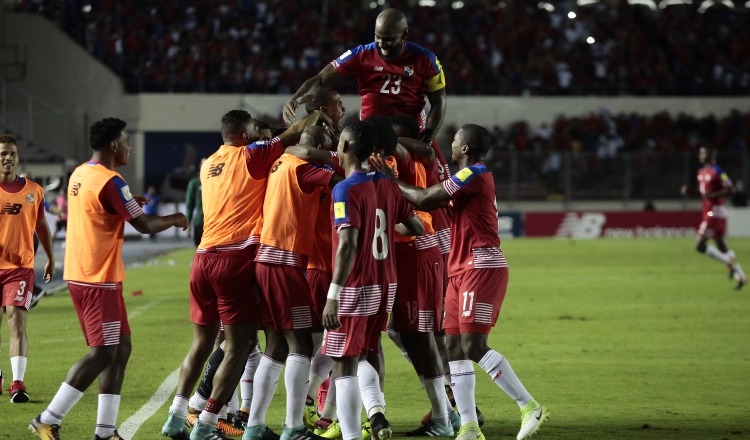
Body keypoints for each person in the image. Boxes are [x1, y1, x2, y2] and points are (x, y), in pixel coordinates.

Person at [372, 124, 549, 440]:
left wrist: (389, 178)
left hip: (481, 266)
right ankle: (468, 426)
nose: (449, 145)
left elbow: (425, 199)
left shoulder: (473, 174)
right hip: (459, 269)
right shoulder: (465, 178)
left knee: (472, 344)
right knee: (453, 347)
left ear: (465, 148)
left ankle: (529, 405)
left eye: (454, 141)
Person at [161, 109, 329, 440]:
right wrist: (314, 116)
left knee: (204, 342)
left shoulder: (208, 163)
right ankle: (208, 423)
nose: (261, 136)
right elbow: (292, 134)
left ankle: (177, 416)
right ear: (246, 133)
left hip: (203, 257)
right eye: (256, 130)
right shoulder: (251, 155)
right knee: (244, 344)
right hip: (235, 258)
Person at [30, 118, 188, 440]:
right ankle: (47, 418)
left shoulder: (81, 173)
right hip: (94, 277)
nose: (129, 146)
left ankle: (105, 431)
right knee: (103, 352)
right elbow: (143, 225)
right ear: (114, 146)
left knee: (121, 348)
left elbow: (102, 209)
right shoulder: (111, 180)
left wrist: (131, 201)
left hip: (92, 274)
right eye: (127, 141)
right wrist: (175, 218)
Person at [321, 120, 424, 440]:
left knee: (343, 363)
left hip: (355, 285)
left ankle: (352, 434)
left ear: (348, 147)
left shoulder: (345, 188)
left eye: (339, 143)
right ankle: (377, 414)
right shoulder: (387, 183)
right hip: (385, 284)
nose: (336, 148)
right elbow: (415, 227)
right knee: (366, 350)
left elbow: (348, 243)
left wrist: (333, 294)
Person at [283, 8, 446, 149]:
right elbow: (321, 79)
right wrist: (296, 99)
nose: (382, 44)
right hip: (370, 132)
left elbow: (439, 101)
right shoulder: (361, 54)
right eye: (378, 37)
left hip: (411, 133)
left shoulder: (426, 59)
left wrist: (429, 135)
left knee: (434, 178)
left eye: (388, 39)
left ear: (405, 34)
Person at [0, 134, 55, 403]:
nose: (7, 158)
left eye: (11, 154)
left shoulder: (34, 191)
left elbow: (41, 226)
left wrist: (51, 257)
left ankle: (17, 383)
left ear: (18, 158)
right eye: (2, 154)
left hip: (20, 267)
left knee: (16, 321)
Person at [681, 146, 747, 289]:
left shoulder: (718, 171)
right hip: (710, 212)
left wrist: (714, 196)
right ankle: (741, 276)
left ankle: (729, 263)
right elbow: (704, 195)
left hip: (714, 213)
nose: (700, 155)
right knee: (722, 245)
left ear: (711, 155)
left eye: (703, 152)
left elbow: (731, 189)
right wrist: (690, 192)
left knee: (699, 245)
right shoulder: (701, 172)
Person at [185, 160, 206, 247]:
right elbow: (189, 205)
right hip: (200, 222)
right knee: (200, 249)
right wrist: (188, 223)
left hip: (215, 222)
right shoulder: (194, 183)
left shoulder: (218, 181)